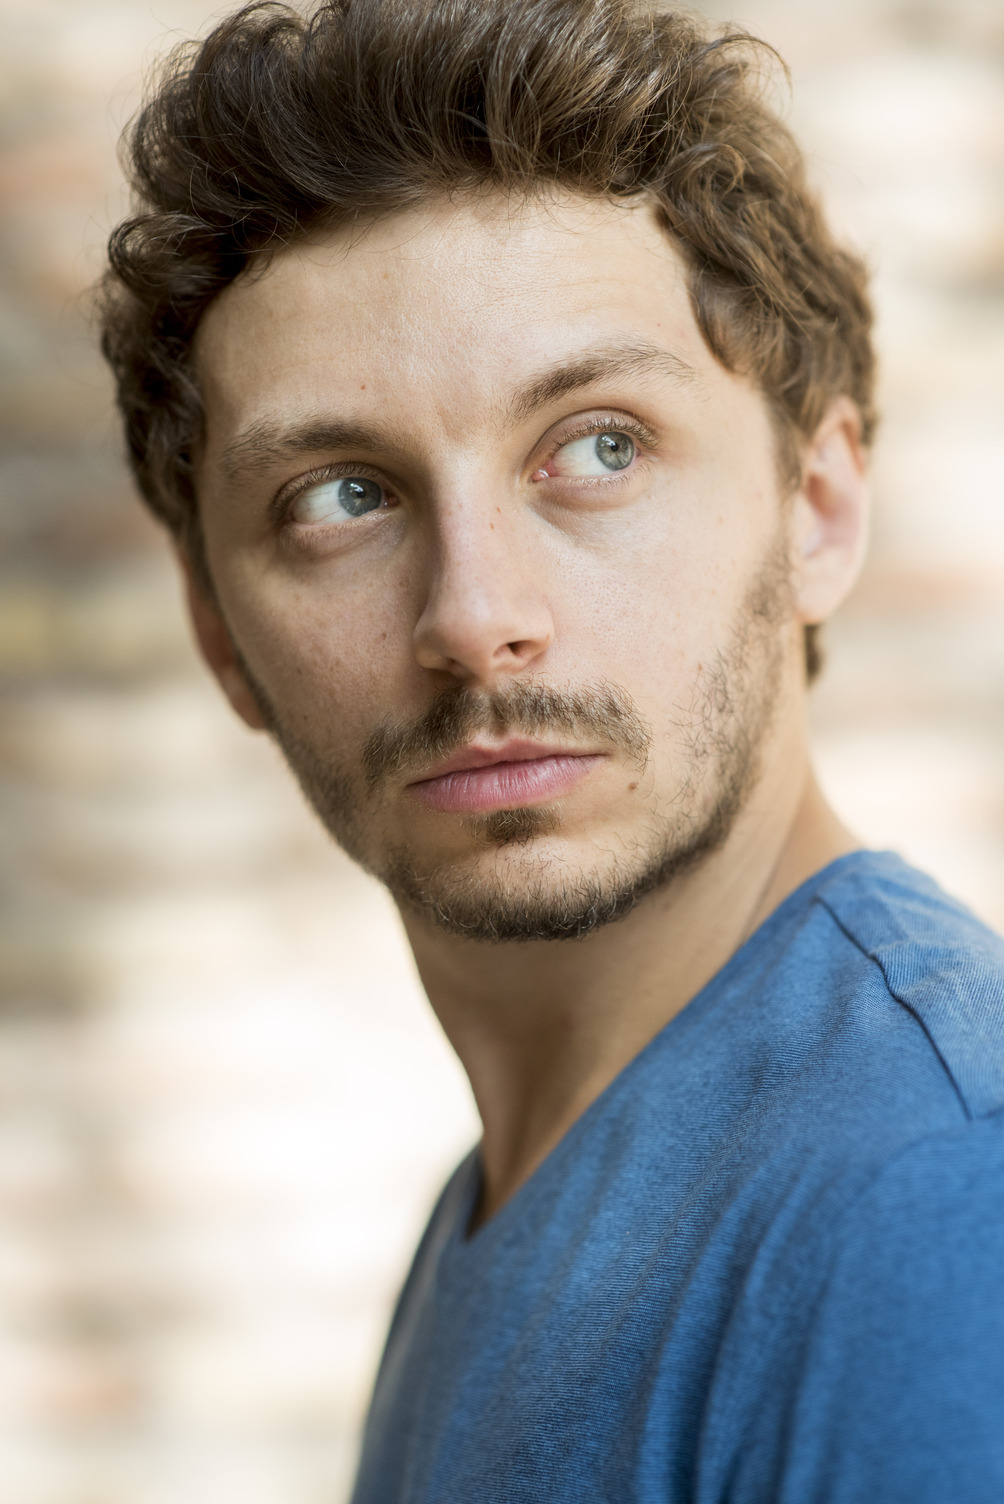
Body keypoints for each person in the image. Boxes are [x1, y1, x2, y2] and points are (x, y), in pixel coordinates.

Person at [100, 0, 1004, 1498]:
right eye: (341, 498)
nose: (474, 619)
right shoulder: (497, 1208)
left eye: (599, 447)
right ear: (217, 631)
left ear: (818, 508)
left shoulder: (934, 1202)